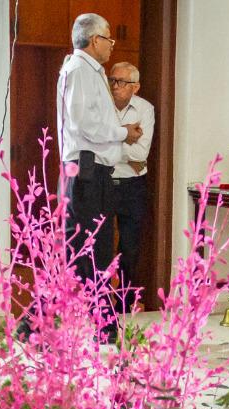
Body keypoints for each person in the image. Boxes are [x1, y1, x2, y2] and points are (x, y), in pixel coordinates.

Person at [57, 13, 142, 282]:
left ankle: (102, 323)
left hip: (95, 172)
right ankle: (35, 323)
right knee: (85, 252)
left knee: (97, 252)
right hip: (86, 172)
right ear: (95, 40)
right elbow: (84, 124)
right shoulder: (80, 70)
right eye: (108, 38)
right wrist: (122, 133)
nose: (112, 44)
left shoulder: (91, 71)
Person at [108, 61, 154, 302]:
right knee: (101, 245)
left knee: (130, 247)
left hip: (132, 185)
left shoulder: (145, 109)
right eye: (112, 80)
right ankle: (101, 303)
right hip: (103, 181)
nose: (115, 86)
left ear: (135, 87)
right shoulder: (102, 106)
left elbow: (141, 155)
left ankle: (124, 303)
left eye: (122, 82)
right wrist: (125, 140)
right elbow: (97, 146)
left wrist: (112, 146)